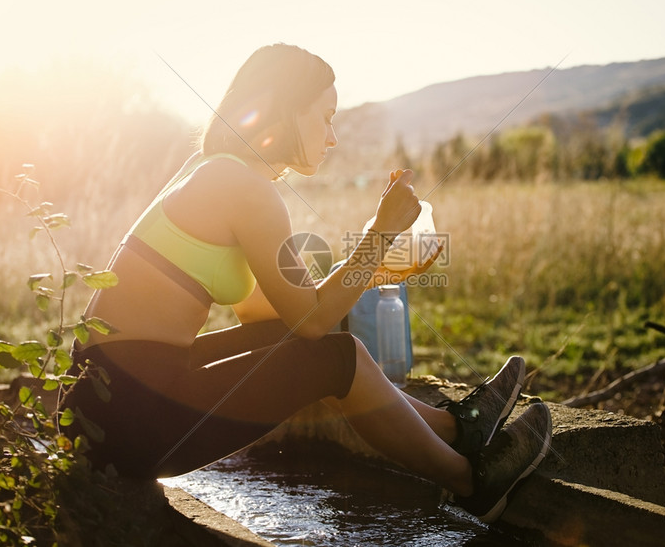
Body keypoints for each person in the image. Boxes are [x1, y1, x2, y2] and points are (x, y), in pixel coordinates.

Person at [63, 43, 552, 524]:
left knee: (322, 345)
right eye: (326, 117)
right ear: (288, 112)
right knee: (335, 356)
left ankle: (455, 429)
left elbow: (274, 318)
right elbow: (312, 323)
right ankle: (472, 482)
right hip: (124, 419)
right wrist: (378, 235)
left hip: (107, 403)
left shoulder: (221, 174)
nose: (333, 136)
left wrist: (377, 268)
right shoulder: (243, 188)